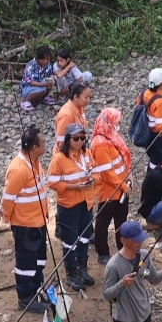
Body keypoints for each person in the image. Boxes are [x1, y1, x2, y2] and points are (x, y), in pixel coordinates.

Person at [1, 126, 50, 313]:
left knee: (38, 260)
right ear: (34, 147)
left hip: (38, 222)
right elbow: (8, 199)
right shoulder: (19, 169)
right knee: (25, 263)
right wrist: (9, 219)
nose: (46, 144)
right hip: (25, 225)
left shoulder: (35, 162)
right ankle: (25, 298)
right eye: (43, 142)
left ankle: (36, 287)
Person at [48, 123, 96, 290]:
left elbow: (95, 171)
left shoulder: (87, 154)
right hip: (68, 205)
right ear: (68, 139)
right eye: (76, 138)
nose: (80, 141)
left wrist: (94, 179)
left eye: (83, 138)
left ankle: (82, 268)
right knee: (70, 239)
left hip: (86, 202)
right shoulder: (59, 159)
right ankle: (71, 273)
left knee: (85, 236)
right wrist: (73, 187)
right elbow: (52, 182)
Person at [90, 107, 132, 265]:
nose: (118, 125)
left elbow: (123, 159)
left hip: (122, 187)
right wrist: (123, 186)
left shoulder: (111, 135)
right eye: (117, 122)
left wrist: (129, 177)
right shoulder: (99, 144)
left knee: (121, 221)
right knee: (103, 222)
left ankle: (123, 249)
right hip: (109, 191)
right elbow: (107, 172)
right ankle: (102, 252)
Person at [138, 68, 162, 169]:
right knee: (158, 160)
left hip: (146, 132)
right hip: (158, 136)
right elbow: (161, 126)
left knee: (153, 156)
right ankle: (154, 177)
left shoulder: (143, 93)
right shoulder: (161, 101)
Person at [20, 45, 62, 111]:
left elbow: (50, 74)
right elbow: (29, 81)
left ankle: (43, 97)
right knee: (41, 89)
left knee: (52, 80)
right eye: (44, 59)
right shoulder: (30, 65)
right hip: (28, 88)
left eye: (48, 59)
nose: (46, 61)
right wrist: (43, 85)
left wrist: (52, 77)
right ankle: (25, 101)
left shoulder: (48, 65)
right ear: (38, 58)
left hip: (41, 86)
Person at [53, 81, 91, 152]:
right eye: (86, 97)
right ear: (76, 97)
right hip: (67, 155)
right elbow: (60, 143)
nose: (88, 100)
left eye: (89, 97)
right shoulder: (66, 115)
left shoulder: (80, 107)